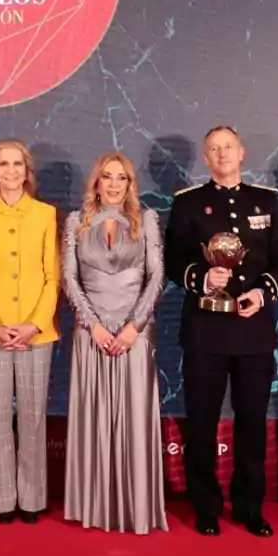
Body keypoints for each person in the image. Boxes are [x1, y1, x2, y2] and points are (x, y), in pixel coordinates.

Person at [163, 126, 278, 537]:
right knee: (201, 421)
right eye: (213, 149)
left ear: (242, 152)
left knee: (252, 422)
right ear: (205, 158)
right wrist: (202, 277)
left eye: (228, 147)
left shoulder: (266, 201)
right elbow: (172, 260)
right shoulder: (188, 203)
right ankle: (205, 505)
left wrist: (262, 291)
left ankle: (249, 507)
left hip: (253, 328)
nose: (222, 154)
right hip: (205, 328)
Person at [62, 152, 167, 535]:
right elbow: (69, 279)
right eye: (106, 176)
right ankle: (94, 505)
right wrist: (93, 326)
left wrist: (132, 328)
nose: (113, 184)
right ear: (96, 181)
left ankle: (136, 508)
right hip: (91, 335)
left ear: (130, 184)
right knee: (94, 419)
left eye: (121, 178)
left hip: (134, 335)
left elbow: (156, 278)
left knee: (135, 420)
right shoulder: (76, 221)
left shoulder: (148, 220)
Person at [0, 139, 59, 524]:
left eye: (17, 164)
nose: (10, 171)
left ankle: (33, 499)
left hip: (37, 333)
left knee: (34, 418)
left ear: (27, 170)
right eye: (3, 164)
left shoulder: (45, 214)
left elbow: (52, 276)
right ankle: (3, 499)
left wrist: (34, 324)